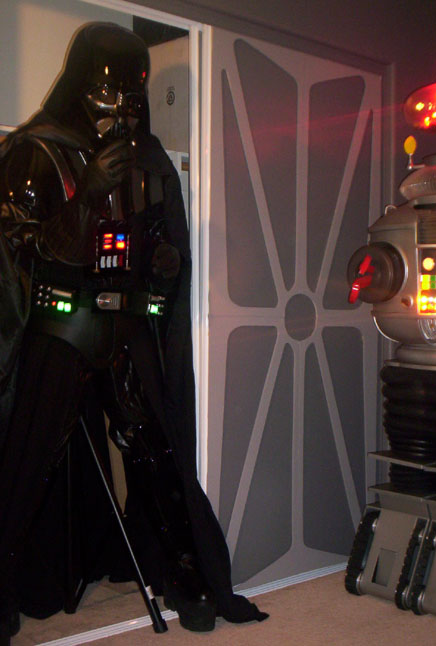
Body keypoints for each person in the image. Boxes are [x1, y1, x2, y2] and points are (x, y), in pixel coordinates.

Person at [0, 22, 267, 642]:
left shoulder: (147, 156)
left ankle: (185, 574)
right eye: (106, 92)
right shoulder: (36, 151)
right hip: (60, 325)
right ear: (79, 86)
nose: (118, 108)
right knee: (26, 460)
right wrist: (84, 198)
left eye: (130, 94)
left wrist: (163, 264)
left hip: (125, 325)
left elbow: (159, 244)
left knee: (156, 451)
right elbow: (19, 248)